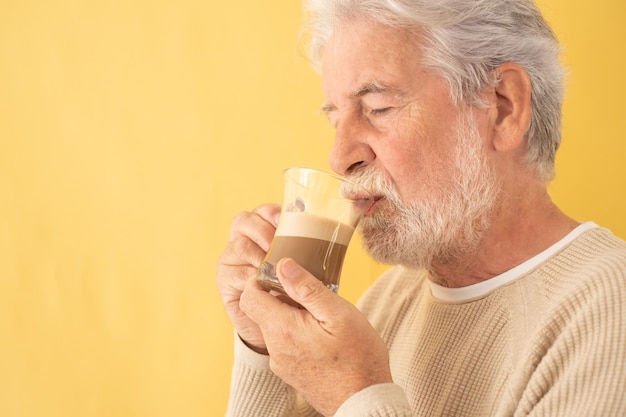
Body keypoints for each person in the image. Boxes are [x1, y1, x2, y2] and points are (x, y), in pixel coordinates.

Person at [216, 0, 626, 416]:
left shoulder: (610, 308)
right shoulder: (389, 298)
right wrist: (261, 347)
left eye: (378, 109)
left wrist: (355, 395)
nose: (339, 157)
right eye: (335, 119)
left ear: (503, 107)